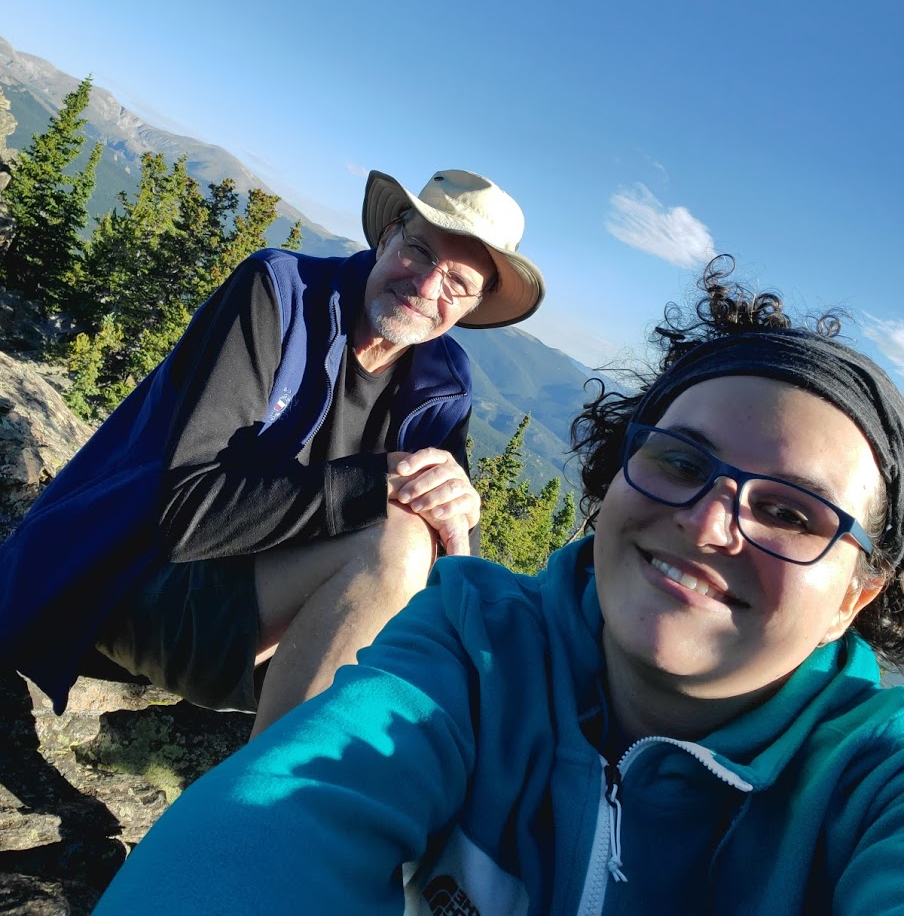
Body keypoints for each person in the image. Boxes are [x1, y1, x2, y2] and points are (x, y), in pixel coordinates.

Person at [83, 259, 904, 916]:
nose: (710, 523)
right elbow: (278, 823)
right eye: (682, 461)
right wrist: (377, 489)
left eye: (792, 513)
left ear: (857, 596)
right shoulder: (472, 645)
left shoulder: (870, 783)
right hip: (149, 594)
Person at [0, 168, 544, 734]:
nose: (427, 287)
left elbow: (449, 564)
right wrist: (369, 483)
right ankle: (264, 811)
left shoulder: (442, 381)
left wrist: (462, 522)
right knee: (399, 534)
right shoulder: (279, 295)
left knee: (426, 539)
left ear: (472, 306)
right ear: (386, 236)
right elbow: (187, 515)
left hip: (267, 628)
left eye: (457, 283)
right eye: (418, 251)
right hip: (137, 583)